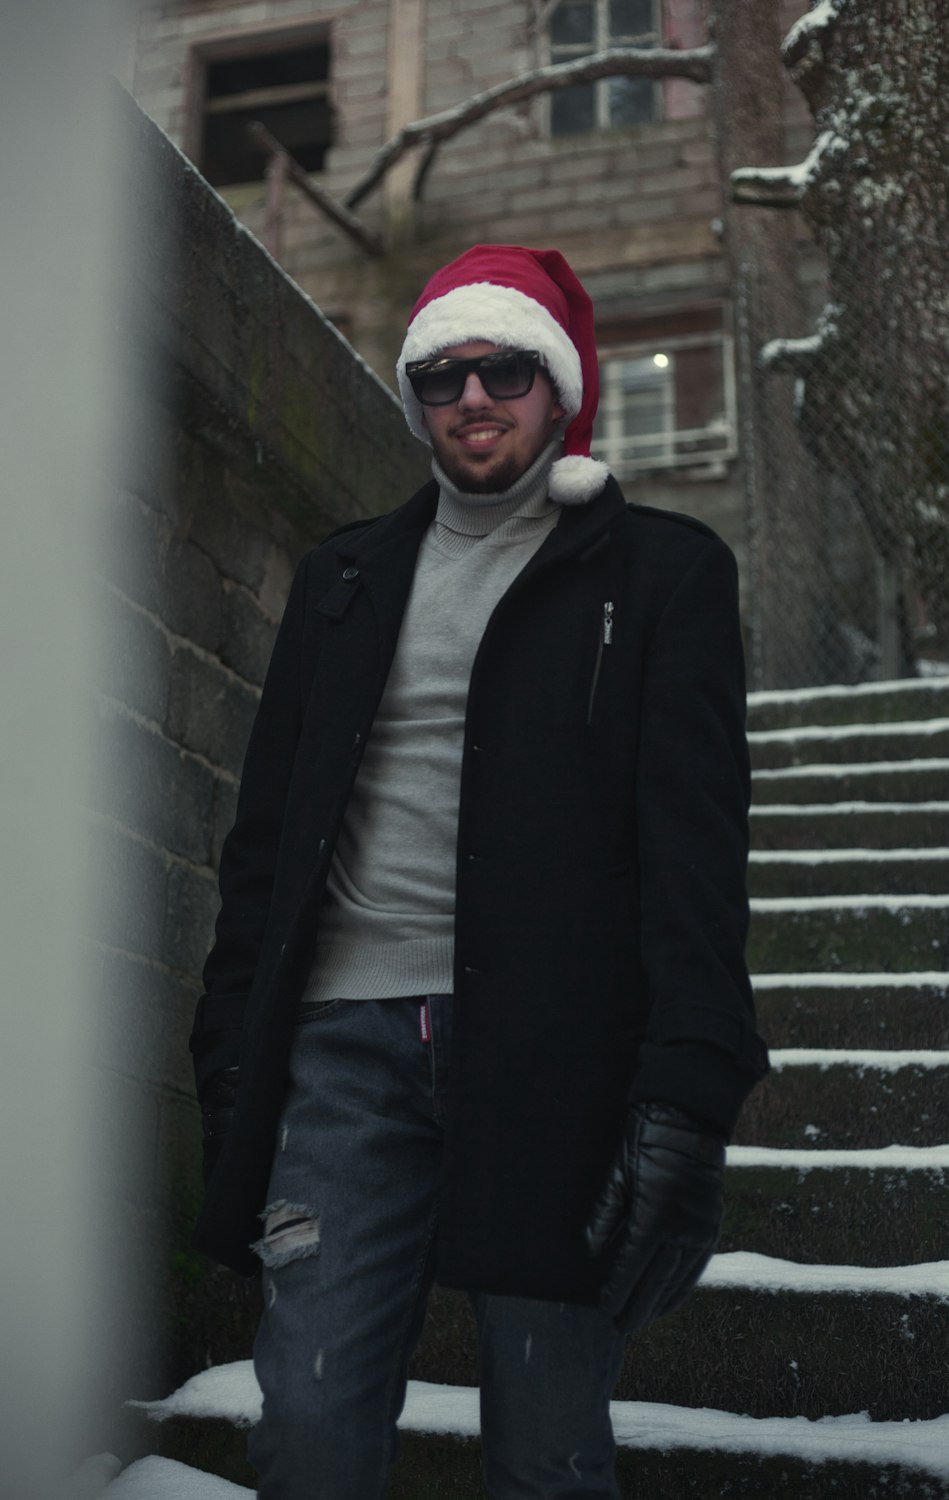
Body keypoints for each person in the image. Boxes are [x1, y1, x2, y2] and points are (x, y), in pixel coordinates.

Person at [190, 244, 769, 1500]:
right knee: (308, 1427)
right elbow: (268, 839)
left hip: (553, 1054)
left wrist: (686, 1091)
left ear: (556, 388)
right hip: (343, 1051)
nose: (472, 397)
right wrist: (232, 1053)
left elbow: (694, 855)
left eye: (504, 368)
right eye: (440, 375)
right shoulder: (342, 577)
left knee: (548, 1447)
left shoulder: (662, 574)